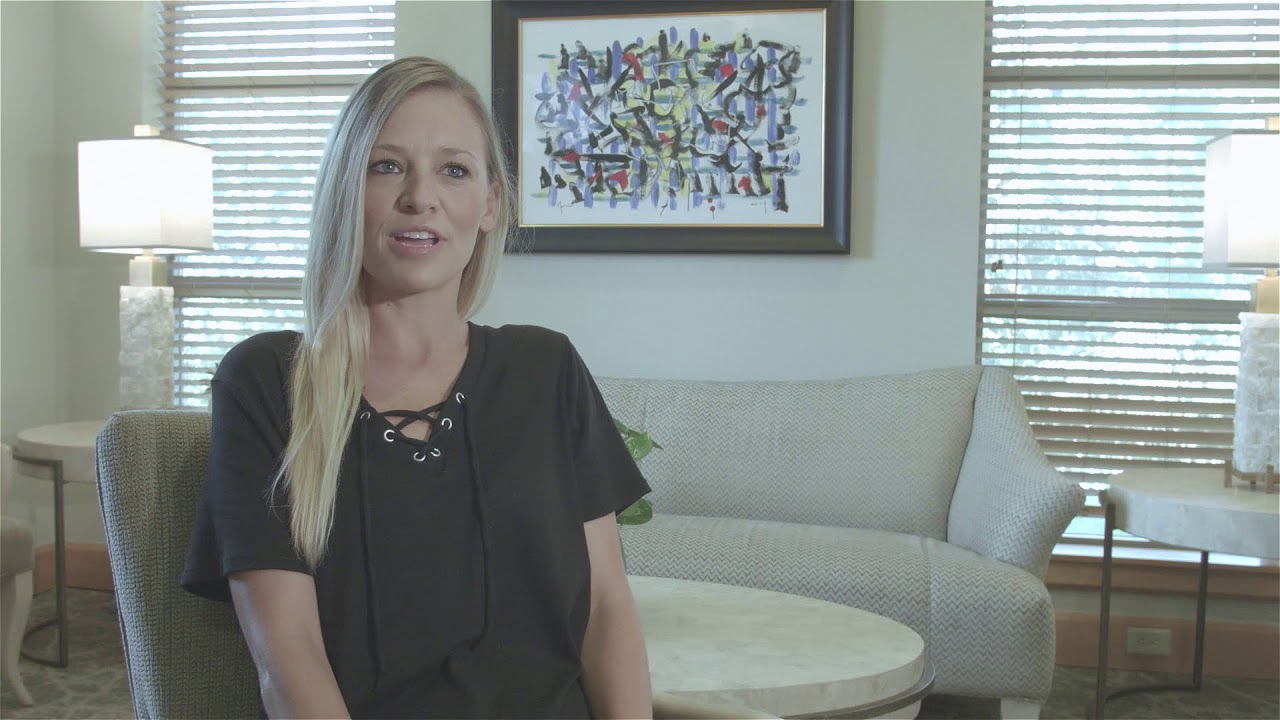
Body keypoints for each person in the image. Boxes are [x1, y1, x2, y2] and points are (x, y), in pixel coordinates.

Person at [181, 56, 654, 719]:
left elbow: (607, 608)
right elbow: (286, 657)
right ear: (347, 190)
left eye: (453, 170)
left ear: (489, 204)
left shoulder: (546, 369)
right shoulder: (267, 382)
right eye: (387, 166)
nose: (420, 197)